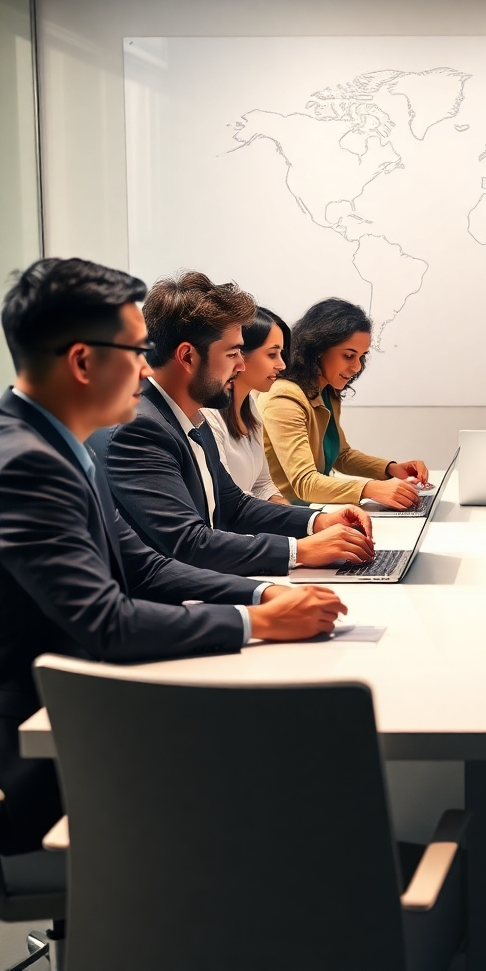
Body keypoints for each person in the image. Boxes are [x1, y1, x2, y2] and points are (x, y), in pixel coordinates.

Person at [0, 258, 345, 854]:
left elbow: (144, 566)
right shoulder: (27, 464)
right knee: (276, 794)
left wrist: (264, 593)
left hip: (92, 718)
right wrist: (257, 622)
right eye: (135, 350)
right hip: (46, 758)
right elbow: (107, 622)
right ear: (83, 361)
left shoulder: (58, 447)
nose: (146, 367)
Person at [97, 272, 377, 577]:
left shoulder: (191, 416)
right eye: (232, 353)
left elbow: (236, 506)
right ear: (188, 357)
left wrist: (317, 521)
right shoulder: (139, 428)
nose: (241, 365)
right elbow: (188, 543)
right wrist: (302, 551)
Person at [260, 298, 428, 509]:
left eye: (361, 356)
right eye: (349, 355)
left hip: (315, 509)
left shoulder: (327, 391)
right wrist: (371, 488)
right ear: (318, 348)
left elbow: (341, 455)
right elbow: (305, 483)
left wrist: (390, 469)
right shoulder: (284, 398)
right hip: (286, 517)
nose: (357, 367)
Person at [202, 306, 289, 503]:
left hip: (252, 526)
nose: (282, 365)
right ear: (240, 354)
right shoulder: (207, 414)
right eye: (272, 354)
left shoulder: (250, 405)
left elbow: (263, 485)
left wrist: (304, 520)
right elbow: (228, 503)